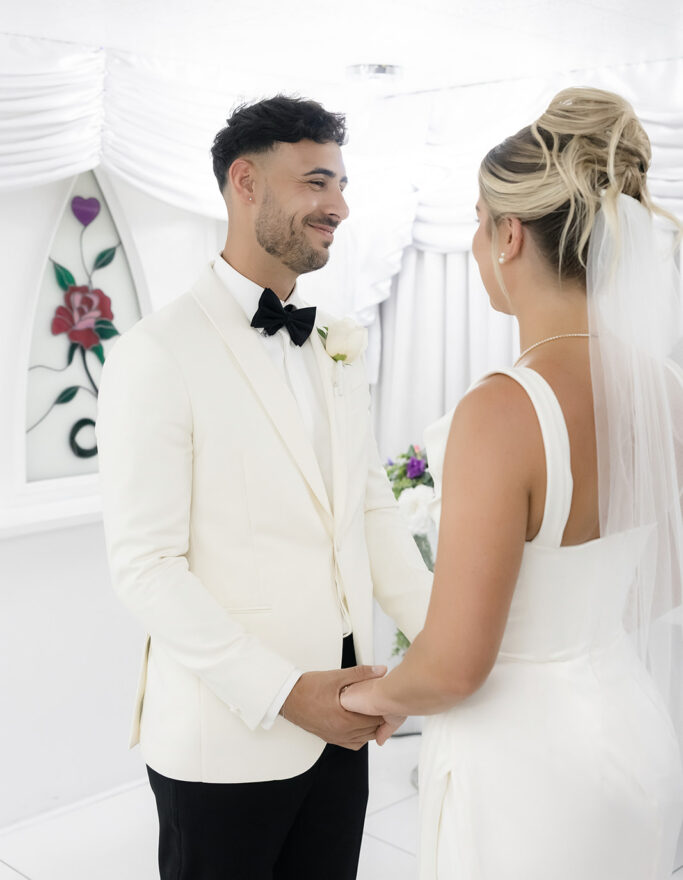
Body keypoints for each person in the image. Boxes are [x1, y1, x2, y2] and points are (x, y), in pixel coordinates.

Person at [341, 87, 683, 878]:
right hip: (631, 734)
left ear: (507, 235)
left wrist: (363, 701)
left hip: (531, 772)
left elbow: (458, 665)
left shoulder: (501, 410)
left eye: (474, 219)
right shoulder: (664, 389)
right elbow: (664, 580)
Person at [96, 95, 432, 880]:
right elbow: (146, 568)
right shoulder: (157, 352)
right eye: (317, 182)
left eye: (342, 185)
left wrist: (438, 651)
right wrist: (285, 693)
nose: (339, 207)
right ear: (245, 183)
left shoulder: (333, 343)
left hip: (346, 725)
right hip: (227, 738)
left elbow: (369, 511)